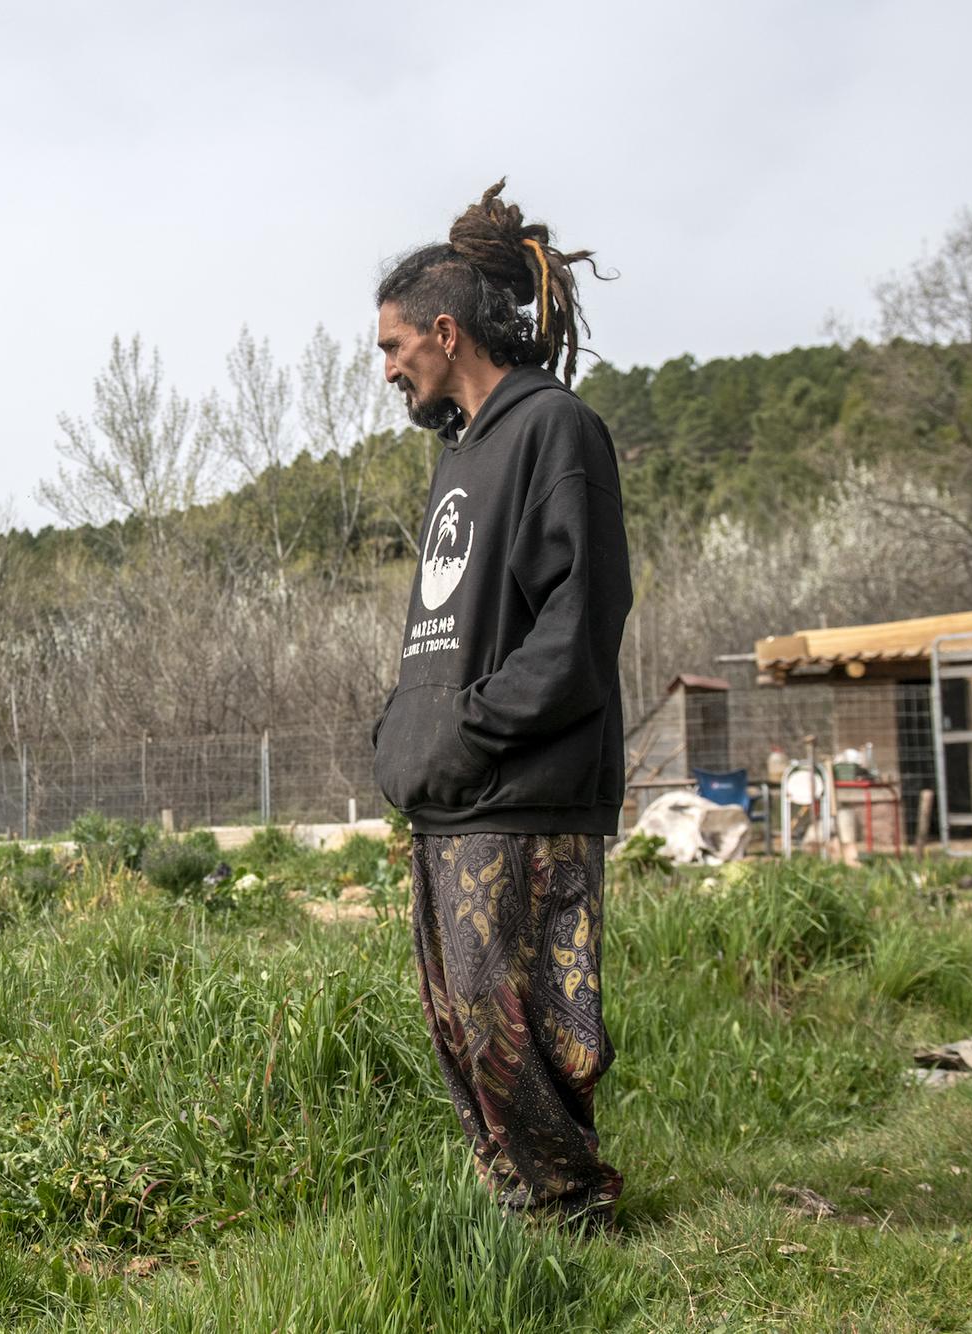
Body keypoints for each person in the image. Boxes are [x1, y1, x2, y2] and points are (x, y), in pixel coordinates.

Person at [369, 180, 632, 1229]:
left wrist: (463, 730)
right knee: (456, 1020)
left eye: (392, 347)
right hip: (450, 794)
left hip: (523, 788)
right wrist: (400, 730)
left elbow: (578, 625)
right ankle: (520, 1207)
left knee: (518, 1021)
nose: (386, 370)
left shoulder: (554, 431)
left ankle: (570, 1210)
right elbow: (441, 626)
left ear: (443, 330)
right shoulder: (455, 460)